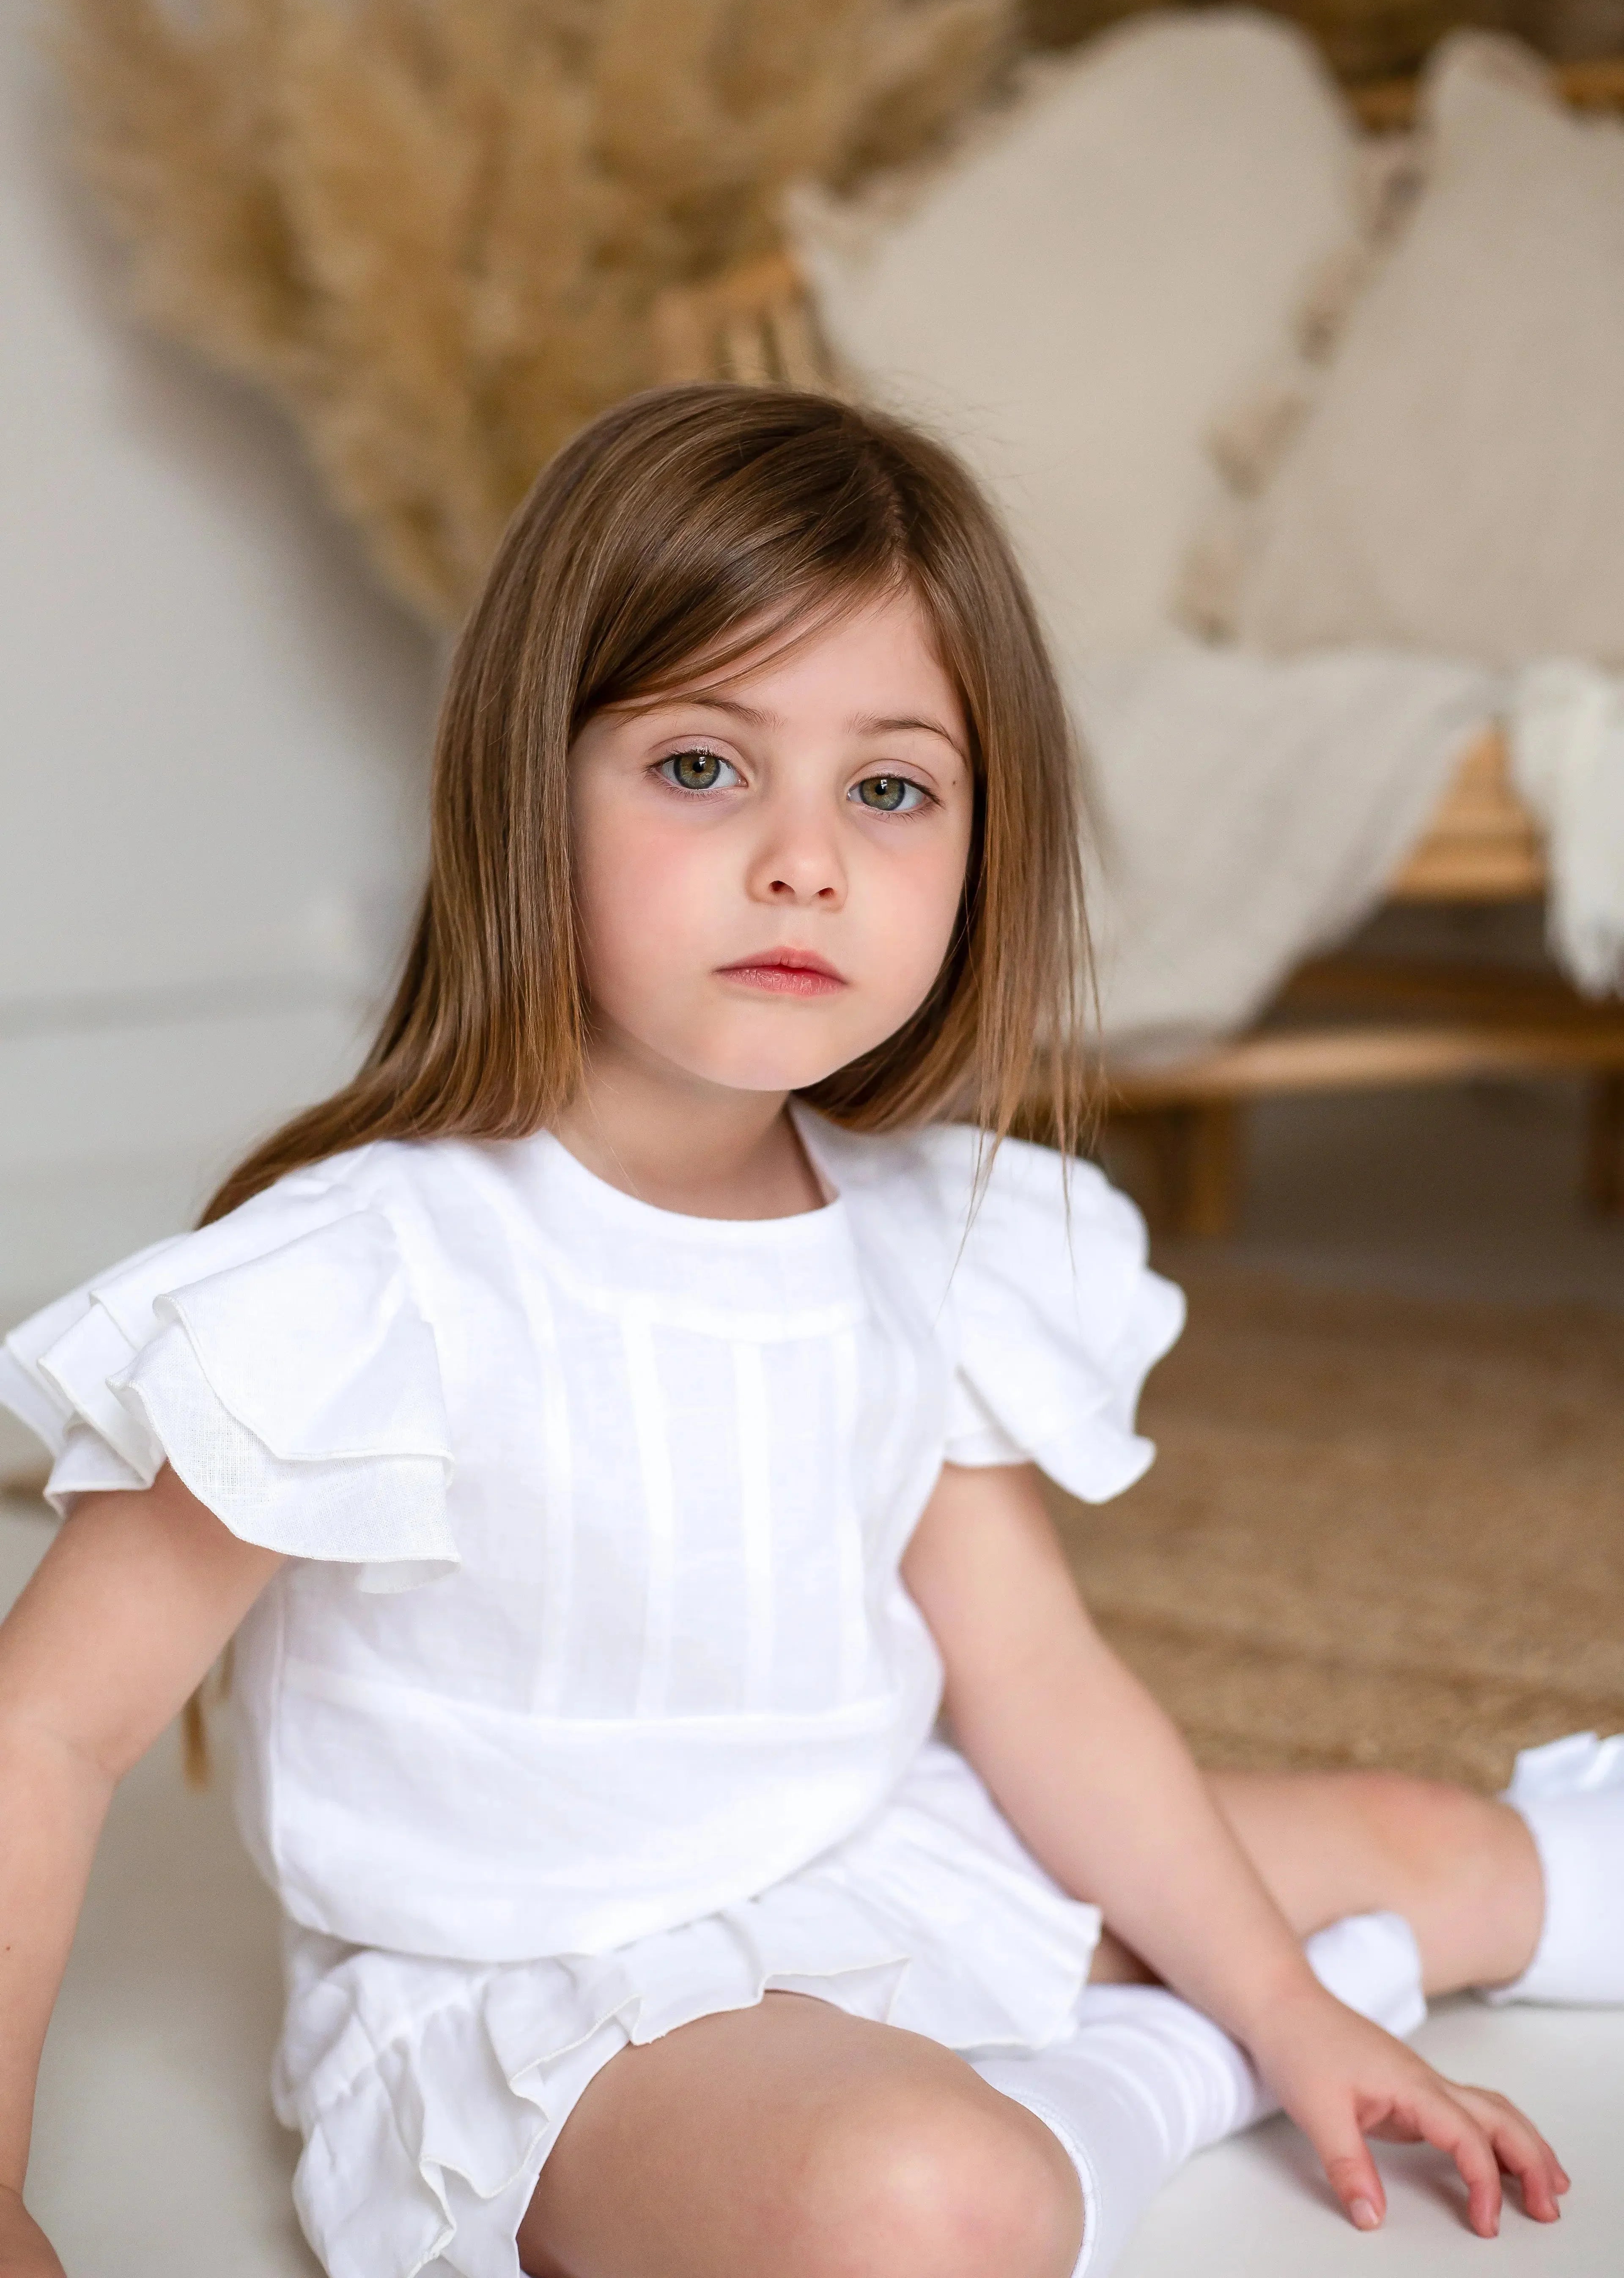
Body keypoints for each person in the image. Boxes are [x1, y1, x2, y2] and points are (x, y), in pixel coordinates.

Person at [0, 386, 1618, 2278]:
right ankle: (1146, 2077)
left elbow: (1039, 1683)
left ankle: (1276, 1999)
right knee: (934, 2203)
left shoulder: (916, 1231)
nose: (804, 860)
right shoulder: (372, 1277)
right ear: (529, 785)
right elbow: (43, 1731)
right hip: (552, 2017)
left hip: (865, 1868)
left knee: (1425, 1847)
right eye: (702, 766)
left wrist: (1294, 2006)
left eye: (890, 787)